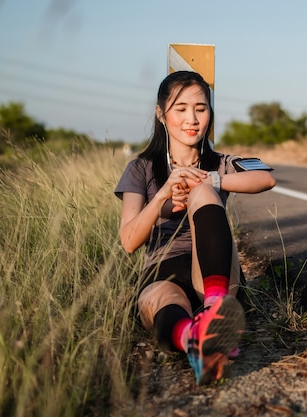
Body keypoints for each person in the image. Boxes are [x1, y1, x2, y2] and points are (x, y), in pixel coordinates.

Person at [114, 71, 276, 385]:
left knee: (202, 190)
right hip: (162, 271)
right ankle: (195, 339)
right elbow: (129, 241)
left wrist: (211, 180)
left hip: (215, 271)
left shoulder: (221, 162)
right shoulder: (141, 167)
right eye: (181, 108)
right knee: (162, 300)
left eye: (201, 109)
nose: (192, 118)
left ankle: (214, 313)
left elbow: (266, 178)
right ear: (161, 114)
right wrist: (163, 193)